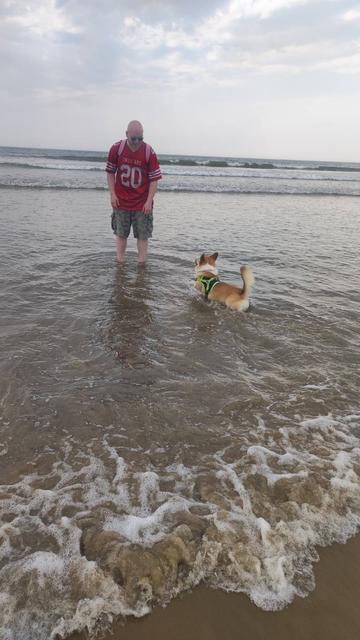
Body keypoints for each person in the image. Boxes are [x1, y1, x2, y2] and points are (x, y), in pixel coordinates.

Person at [106, 120, 162, 263]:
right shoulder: (116, 149)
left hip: (142, 203)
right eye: (133, 138)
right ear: (126, 134)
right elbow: (111, 173)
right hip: (121, 200)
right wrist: (112, 194)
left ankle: (142, 265)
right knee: (120, 234)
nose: (137, 142)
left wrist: (149, 201)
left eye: (140, 138)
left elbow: (154, 179)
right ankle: (120, 263)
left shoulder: (149, 151)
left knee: (143, 236)